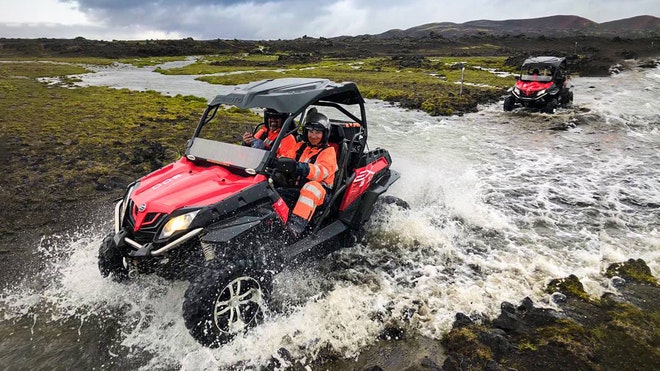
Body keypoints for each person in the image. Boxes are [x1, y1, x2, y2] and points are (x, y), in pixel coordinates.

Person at [277, 108, 337, 237]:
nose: (313, 136)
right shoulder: (300, 146)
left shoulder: (328, 152)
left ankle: (295, 228)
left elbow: (320, 172)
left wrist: (300, 167)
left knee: (311, 187)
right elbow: (286, 158)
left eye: (318, 132)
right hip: (297, 188)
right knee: (272, 189)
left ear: (324, 134)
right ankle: (272, 222)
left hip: (321, 194)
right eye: (310, 131)